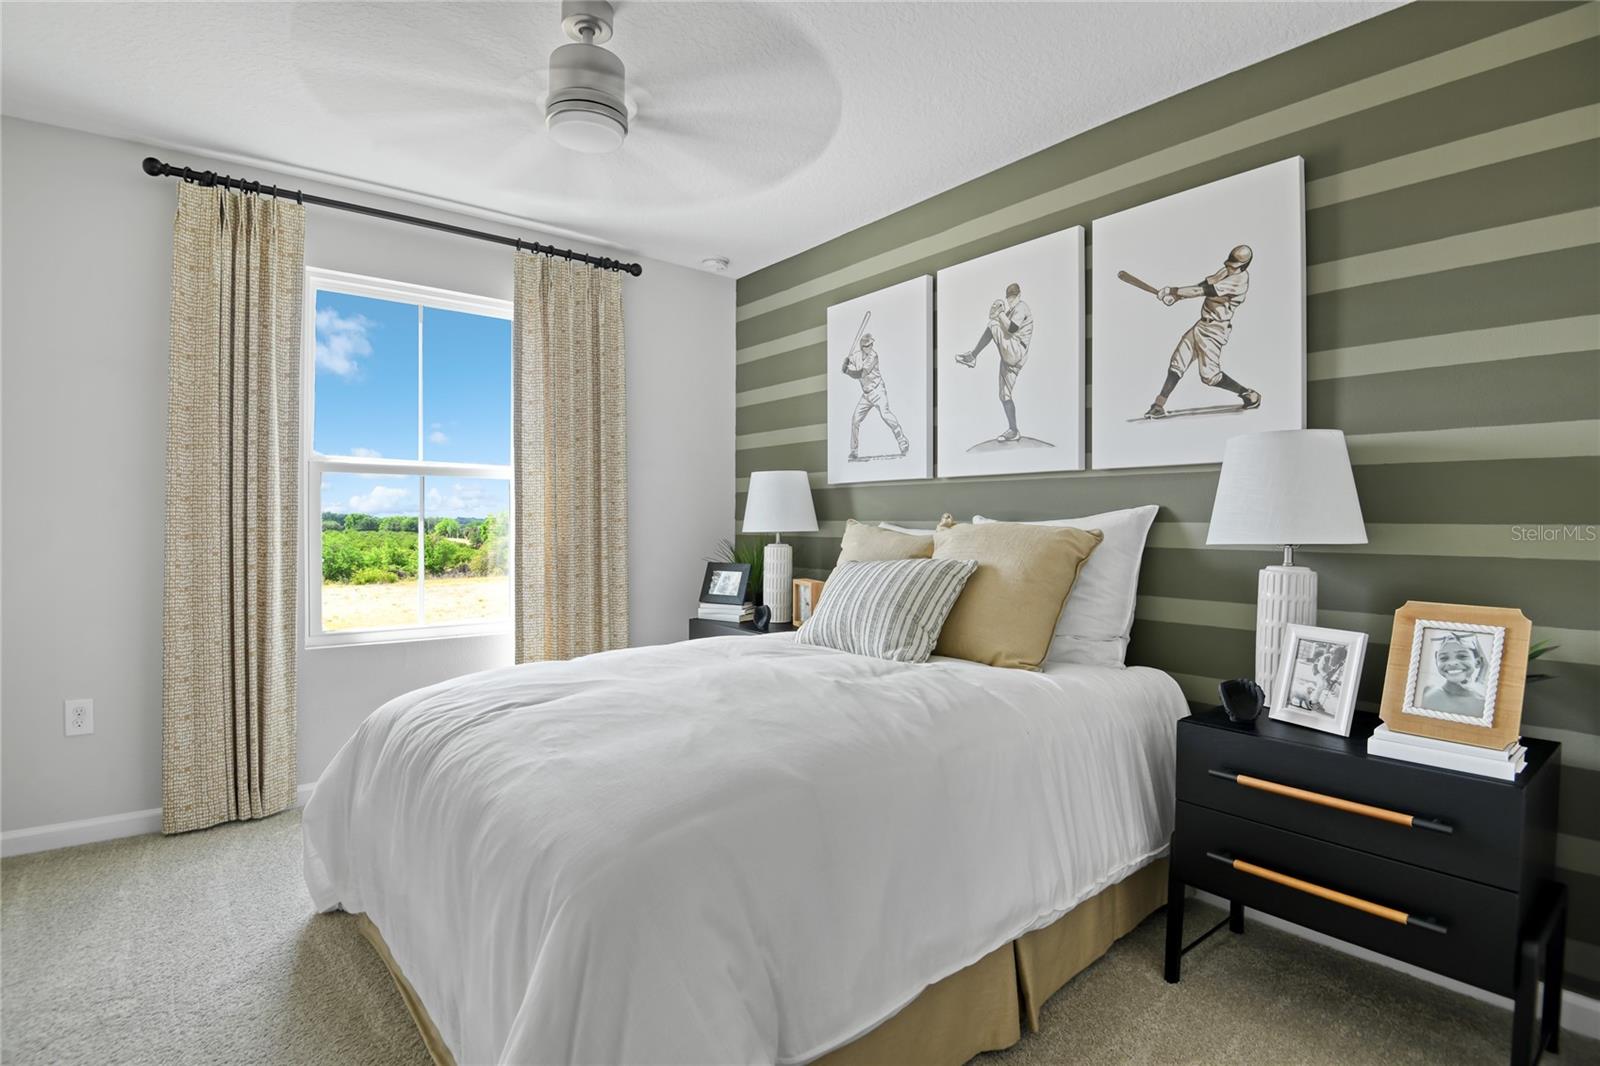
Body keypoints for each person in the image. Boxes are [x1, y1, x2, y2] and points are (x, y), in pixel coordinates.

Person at [1143, 244, 1261, 419]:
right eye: (1229, 264)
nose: (1230, 267)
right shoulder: (1226, 271)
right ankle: (1158, 405)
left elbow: (1204, 291)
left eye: (1234, 265)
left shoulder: (1239, 281)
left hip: (1215, 330)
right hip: (1201, 325)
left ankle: (1248, 394)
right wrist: (1177, 297)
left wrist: (1172, 290)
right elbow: (1203, 284)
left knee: (1210, 377)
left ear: (1243, 266)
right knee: (1177, 362)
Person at [955, 281, 1034, 441]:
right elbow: (1005, 327)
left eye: (1013, 296)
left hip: (1017, 349)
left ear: (1019, 295)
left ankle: (972, 356)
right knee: (1004, 395)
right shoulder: (1010, 311)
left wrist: (999, 314)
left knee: (992, 324)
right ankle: (1013, 430)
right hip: (1010, 354)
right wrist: (999, 314)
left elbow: (1012, 328)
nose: (1011, 299)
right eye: (1009, 297)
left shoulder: (1022, 307)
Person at [842, 333, 909, 459]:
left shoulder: (873, 355)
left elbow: (861, 374)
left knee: (885, 414)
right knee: (855, 420)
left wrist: (847, 371)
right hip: (866, 394)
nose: (871, 346)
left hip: (878, 390)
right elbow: (850, 361)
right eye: (868, 345)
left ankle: (902, 441)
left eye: (871, 344)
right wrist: (846, 362)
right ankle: (854, 451)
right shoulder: (856, 355)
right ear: (862, 347)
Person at [1420, 633, 1489, 716]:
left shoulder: (1483, 704)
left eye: (1462, 656)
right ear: (1436, 662)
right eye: (1444, 658)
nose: (1452, 663)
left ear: (1478, 662)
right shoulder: (1425, 691)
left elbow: (1485, 665)